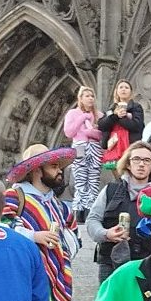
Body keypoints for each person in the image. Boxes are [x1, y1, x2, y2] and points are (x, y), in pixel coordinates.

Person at [3, 144, 78, 301]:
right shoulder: (15, 196)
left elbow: (74, 237)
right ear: (37, 169)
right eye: (54, 166)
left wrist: (63, 244)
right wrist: (34, 236)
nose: (60, 171)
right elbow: (0, 227)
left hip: (51, 284)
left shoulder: (61, 207)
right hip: (20, 282)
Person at [85, 140, 151, 284]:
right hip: (110, 263)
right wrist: (106, 234)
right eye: (136, 159)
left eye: (146, 160)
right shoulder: (111, 190)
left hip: (146, 263)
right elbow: (92, 220)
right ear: (127, 163)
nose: (141, 164)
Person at [62, 84, 103, 222]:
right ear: (80, 98)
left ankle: (90, 209)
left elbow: (104, 134)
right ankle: (79, 210)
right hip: (80, 146)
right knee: (80, 179)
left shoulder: (98, 115)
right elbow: (69, 132)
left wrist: (93, 132)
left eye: (92, 96)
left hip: (95, 148)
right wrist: (82, 118)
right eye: (87, 96)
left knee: (93, 179)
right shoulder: (72, 113)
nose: (90, 99)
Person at [97, 78, 146, 168]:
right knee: (115, 169)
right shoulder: (111, 109)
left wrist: (121, 118)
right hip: (114, 144)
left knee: (129, 169)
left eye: (126, 87)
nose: (123, 89)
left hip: (129, 143)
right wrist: (115, 115)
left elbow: (137, 126)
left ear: (131, 92)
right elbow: (101, 125)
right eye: (121, 87)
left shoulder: (136, 107)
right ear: (117, 91)